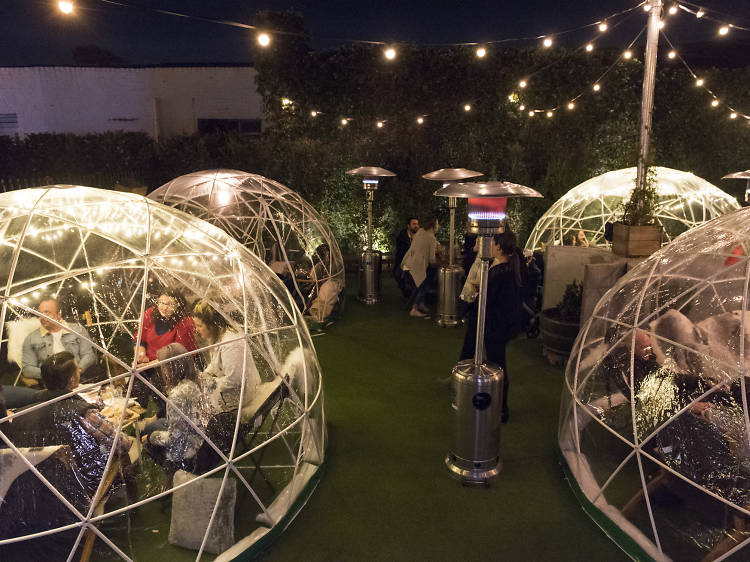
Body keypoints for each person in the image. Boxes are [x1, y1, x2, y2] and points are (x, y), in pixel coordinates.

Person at [6, 352, 131, 492]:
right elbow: (121, 444)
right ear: (72, 380)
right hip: (81, 483)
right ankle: (129, 505)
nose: (80, 370)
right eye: (77, 367)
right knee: (122, 452)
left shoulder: (20, 414)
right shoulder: (83, 412)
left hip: (42, 486)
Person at [459, 231, 523, 423]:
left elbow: (488, 301)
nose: (491, 246)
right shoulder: (509, 269)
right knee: (497, 364)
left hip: (496, 327)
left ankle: (500, 408)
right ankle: (498, 406)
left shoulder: (498, 272)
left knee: (497, 367)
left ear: (500, 247)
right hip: (503, 326)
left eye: (494, 243)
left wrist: (480, 292)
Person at [142, 343, 206, 475]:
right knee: (155, 425)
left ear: (169, 368)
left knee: (150, 436)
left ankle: (173, 475)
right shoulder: (202, 378)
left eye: (162, 366)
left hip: (193, 450)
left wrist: (151, 438)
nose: (161, 370)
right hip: (207, 437)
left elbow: (175, 441)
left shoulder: (177, 396)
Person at [133, 289, 197, 414]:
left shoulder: (185, 323)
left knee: (158, 383)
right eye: (161, 302)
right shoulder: (150, 313)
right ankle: (135, 416)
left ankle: (166, 416)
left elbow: (179, 355)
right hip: (150, 362)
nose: (163, 307)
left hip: (172, 365)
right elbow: (139, 337)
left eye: (169, 304)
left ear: (178, 305)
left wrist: (146, 365)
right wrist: (140, 354)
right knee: (135, 382)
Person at [192, 299, 261, 412]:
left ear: (211, 325)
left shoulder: (230, 344)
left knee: (198, 410)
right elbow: (215, 364)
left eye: (199, 326)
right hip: (229, 392)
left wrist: (209, 386)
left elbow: (234, 380)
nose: (196, 330)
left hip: (241, 396)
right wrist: (203, 376)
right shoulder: (216, 336)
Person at [20, 298, 98, 389]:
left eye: (47, 312)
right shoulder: (31, 338)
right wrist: (52, 374)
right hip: (50, 385)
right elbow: (27, 369)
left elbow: (89, 355)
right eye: (40, 313)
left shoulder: (77, 330)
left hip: (80, 379)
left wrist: (77, 371)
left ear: (59, 314)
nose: (42, 317)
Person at [400, 216, 441, 317]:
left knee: (419, 285)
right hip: (416, 266)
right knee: (424, 286)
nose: (438, 225)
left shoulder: (420, 232)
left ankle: (415, 304)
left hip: (408, 264)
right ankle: (414, 309)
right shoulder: (431, 237)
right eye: (437, 224)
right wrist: (439, 264)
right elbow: (432, 259)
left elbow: (420, 243)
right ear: (434, 225)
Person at [394, 217, 419, 298]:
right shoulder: (402, 237)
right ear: (408, 226)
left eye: (417, 224)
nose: (416, 226)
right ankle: (414, 298)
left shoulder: (418, 236)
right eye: (414, 224)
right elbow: (405, 253)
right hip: (402, 265)